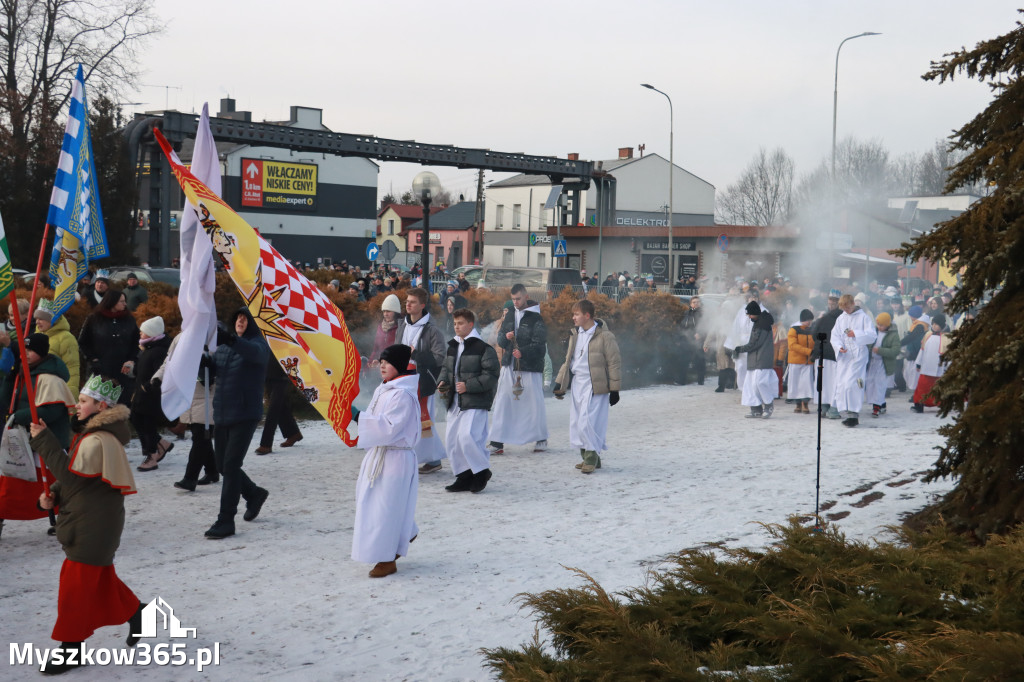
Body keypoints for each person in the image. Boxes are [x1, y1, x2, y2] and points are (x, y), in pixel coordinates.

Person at [28, 374, 144, 675]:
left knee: (74, 589)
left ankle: (71, 650)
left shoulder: (97, 439)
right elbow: (79, 482)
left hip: (93, 524)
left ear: (100, 405)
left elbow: (70, 477)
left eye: (82, 401)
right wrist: (53, 494)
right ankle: (137, 612)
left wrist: (43, 439)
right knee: (99, 579)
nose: (75, 406)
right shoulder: (89, 435)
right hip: (88, 517)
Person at [349, 344, 421, 578]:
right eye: (380, 361)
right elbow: (376, 418)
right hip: (380, 455)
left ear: (399, 366)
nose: (381, 365)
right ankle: (406, 531)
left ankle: (387, 559)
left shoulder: (403, 394)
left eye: (387, 362)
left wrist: (358, 417)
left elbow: (389, 427)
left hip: (395, 458)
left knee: (386, 509)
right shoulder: (385, 388)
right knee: (373, 504)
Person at [0, 333, 75, 540]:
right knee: (10, 481)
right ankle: (2, 515)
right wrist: (10, 376)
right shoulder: (22, 374)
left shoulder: (50, 378)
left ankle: (65, 518)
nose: (25, 355)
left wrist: (18, 416)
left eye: (30, 351)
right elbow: (5, 402)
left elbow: (51, 411)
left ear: (41, 353)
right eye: (23, 351)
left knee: (56, 483)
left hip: (48, 440)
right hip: (22, 439)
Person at [204, 307, 270, 539]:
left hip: (245, 413)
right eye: (237, 318)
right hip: (222, 412)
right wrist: (203, 361)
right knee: (222, 466)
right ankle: (254, 493)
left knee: (231, 466)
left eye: (244, 318)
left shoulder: (258, 344)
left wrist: (231, 340)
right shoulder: (223, 347)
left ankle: (226, 520)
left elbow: (256, 355)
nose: (240, 321)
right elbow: (213, 372)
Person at [553, 299, 621, 474]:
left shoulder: (605, 336)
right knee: (577, 422)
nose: (573, 317)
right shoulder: (575, 335)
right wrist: (560, 383)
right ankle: (589, 458)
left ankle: (591, 457)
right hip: (578, 383)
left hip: (595, 384)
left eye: (576, 314)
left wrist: (614, 389)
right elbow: (569, 360)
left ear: (587, 315)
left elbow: (614, 363)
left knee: (588, 421)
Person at [437, 308, 499, 493]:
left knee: (467, 437)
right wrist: (442, 381)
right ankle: (463, 476)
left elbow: (492, 375)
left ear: (470, 325)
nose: (457, 327)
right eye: (455, 323)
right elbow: (446, 369)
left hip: (475, 401)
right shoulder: (453, 346)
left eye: (461, 323)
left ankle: (481, 472)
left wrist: (468, 386)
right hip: (455, 401)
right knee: (452, 440)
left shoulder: (484, 348)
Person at [152, 336, 219, 491]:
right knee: (201, 435)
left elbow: (222, 362)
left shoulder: (213, 335)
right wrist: (158, 378)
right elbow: (169, 361)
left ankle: (190, 478)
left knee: (200, 437)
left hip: (208, 395)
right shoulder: (181, 337)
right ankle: (212, 471)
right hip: (188, 394)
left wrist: (210, 363)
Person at [488, 284, 549, 455]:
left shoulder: (536, 318)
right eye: (513, 299)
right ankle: (497, 442)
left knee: (533, 403)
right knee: (503, 402)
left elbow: (540, 346)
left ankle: (541, 438)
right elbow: (500, 340)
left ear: (526, 297)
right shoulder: (509, 316)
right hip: (509, 365)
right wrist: (505, 338)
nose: (515, 302)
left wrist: (524, 352)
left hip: (530, 368)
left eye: (518, 299)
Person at [396, 288, 447, 475]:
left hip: (422, 381)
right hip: (402, 379)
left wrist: (415, 354)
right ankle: (412, 458)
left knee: (424, 422)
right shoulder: (402, 325)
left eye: (413, 302)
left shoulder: (432, 330)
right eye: (407, 301)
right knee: (405, 420)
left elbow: (440, 357)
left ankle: (432, 459)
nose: (408, 304)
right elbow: (396, 349)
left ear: (422, 305)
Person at [78, 288, 140, 405]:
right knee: (97, 403)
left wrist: (132, 359)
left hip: (123, 370)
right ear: (112, 302)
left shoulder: (129, 319)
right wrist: (92, 359)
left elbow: (136, 342)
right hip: (100, 369)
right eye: (121, 301)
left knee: (122, 403)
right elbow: (83, 342)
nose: (125, 304)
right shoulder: (94, 319)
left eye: (125, 301)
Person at [132, 317, 174, 471]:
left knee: (147, 425)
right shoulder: (147, 348)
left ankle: (152, 456)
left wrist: (149, 387)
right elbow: (140, 371)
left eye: (143, 331)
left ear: (151, 334)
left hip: (150, 395)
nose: (140, 333)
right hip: (141, 394)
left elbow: (161, 373)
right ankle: (162, 444)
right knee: (136, 419)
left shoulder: (159, 351)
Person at [830, 293, 877, 427]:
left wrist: (856, 334)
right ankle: (847, 412)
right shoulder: (841, 318)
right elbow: (835, 336)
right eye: (843, 309)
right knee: (842, 384)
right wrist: (839, 347)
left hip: (858, 356)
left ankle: (854, 414)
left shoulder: (864, 317)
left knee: (853, 384)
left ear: (852, 304)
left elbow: (872, 335)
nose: (846, 311)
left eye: (848, 308)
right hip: (845, 357)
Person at [733, 302, 778, 419]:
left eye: (750, 314)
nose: (749, 317)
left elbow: (755, 343)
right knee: (750, 386)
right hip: (754, 359)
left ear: (755, 313)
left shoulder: (762, 325)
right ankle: (756, 409)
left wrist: (740, 349)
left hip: (762, 359)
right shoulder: (758, 322)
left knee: (760, 383)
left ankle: (768, 405)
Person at [254, 358, 303, 456]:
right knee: (279, 405)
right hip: (268, 370)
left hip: (283, 370)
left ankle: (266, 444)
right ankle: (293, 433)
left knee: (274, 408)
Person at [33, 298, 81, 396]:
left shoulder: (66, 338)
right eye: (36, 319)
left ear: (53, 319)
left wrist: (70, 397)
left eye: (41, 318)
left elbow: (72, 370)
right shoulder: (35, 337)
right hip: (35, 391)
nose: (37, 322)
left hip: (55, 392)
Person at [810, 289, 843, 418]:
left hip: (829, 354)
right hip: (829, 354)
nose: (832, 303)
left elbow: (814, 334)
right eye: (830, 301)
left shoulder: (836, 318)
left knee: (828, 383)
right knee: (829, 383)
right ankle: (828, 408)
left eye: (834, 301)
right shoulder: (827, 317)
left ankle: (829, 408)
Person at [865, 312, 901, 417]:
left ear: (887, 325)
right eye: (878, 324)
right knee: (870, 383)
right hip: (872, 363)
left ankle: (876, 407)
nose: (879, 327)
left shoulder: (894, 335)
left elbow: (895, 350)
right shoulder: (874, 332)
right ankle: (881, 403)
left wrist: (880, 351)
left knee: (879, 385)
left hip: (884, 364)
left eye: (882, 325)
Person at [912, 313, 949, 413]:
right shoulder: (928, 335)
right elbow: (922, 350)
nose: (934, 326)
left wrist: (948, 366)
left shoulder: (947, 338)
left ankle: (943, 404)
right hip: (926, 367)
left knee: (940, 387)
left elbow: (949, 355)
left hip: (939, 368)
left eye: (937, 324)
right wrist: (918, 363)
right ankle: (919, 404)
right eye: (933, 324)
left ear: (942, 325)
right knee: (922, 387)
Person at [786, 309, 815, 414]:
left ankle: (805, 404)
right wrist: (809, 351)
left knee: (806, 384)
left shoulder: (812, 329)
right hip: (796, 361)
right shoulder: (794, 330)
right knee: (796, 383)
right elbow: (792, 345)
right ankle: (798, 404)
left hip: (808, 362)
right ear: (804, 320)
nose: (810, 323)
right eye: (809, 321)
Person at [900, 305, 930, 396]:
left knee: (914, 375)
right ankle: (916, 394)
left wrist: (900, 343)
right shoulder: (918, 323)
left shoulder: (920, 325)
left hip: (916, 352)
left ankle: (916, 395)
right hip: (914, 351)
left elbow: (911, 337)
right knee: (911, 374)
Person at [369, 294, 402, 366]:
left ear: (395, 312)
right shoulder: (380, 327)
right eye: (384, 311)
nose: (385, 314)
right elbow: (375, 349)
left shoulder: (400, 328)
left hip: (394, 367)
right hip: (379, 367)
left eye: (388, 311)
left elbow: (399, 352)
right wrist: (368, 365)